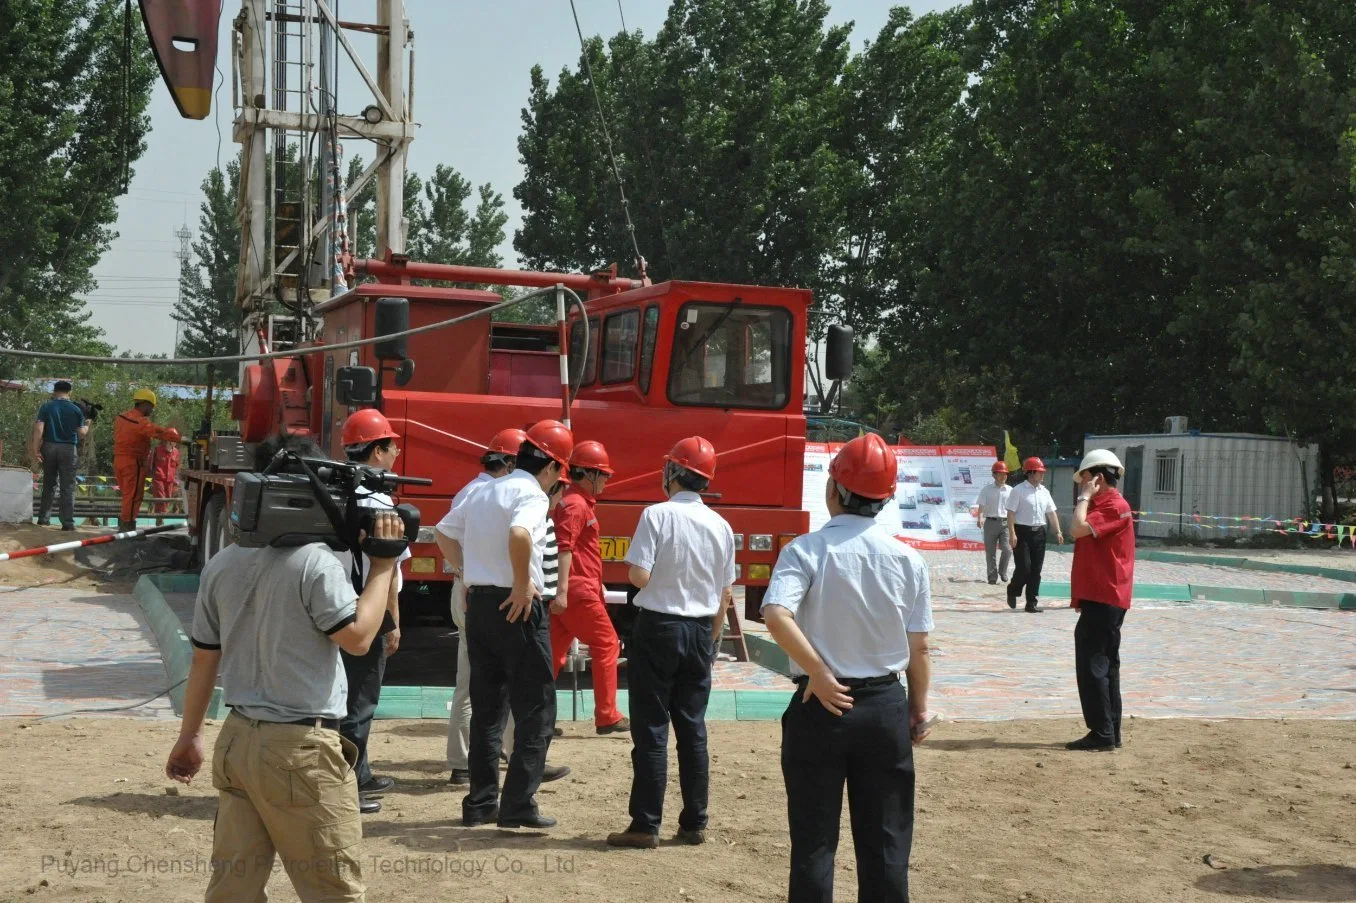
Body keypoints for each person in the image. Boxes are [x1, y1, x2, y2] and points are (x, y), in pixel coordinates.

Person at [164, 435, 407, 902]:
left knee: (234, 889)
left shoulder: (223, 563)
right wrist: (382, 566)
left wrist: (190, 735)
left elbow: (203, 659)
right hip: (300, 751)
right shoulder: (314, 564)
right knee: (334, 890)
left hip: (238, 741)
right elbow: (358, 640)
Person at [761, 433, 934, 903]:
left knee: (814, 840)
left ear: (833, 489)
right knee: (886, 841)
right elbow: (918, 648)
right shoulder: (909, 560)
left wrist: (817, 672)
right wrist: (917, 709)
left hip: (821, 705)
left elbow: (776, 613)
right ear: (888, 497)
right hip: (884, 707)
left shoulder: (807, 550)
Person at [442, 420, 574, 829]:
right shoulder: (531, 493)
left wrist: (465, 574)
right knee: (536, 708)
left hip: (480, 604)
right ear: (551, 467)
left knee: (487, 709)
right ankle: (518, 804)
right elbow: (520, 534)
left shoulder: (484, 489)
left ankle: (481, 803)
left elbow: (444, 532)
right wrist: (521, 584)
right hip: (516, 607)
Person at [607, 437, 736, 850]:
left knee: (651, 730)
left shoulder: (656, 515)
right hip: (700, 631)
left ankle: (646, 824)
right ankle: (694, 822)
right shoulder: (721, 525)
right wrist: (712, 638)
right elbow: (725, 594)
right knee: (693, 729)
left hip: (659, 627)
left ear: (674, 473)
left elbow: (638, 577)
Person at [436, 427, 525, 785]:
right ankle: (471, 759)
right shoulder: (486, 493)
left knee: (476, 678)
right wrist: (465, 571)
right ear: (511, 463)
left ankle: (477, 757)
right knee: (483, 678)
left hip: (472, 589)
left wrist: (463, 571)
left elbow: (445, 536)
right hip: (481, 592)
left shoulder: (471, 491)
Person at [334, 409, 411, 814]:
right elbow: (390, 568)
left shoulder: (332, 492)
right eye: (392, 445)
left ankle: (359, 773)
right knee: (361, 700)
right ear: (378, 450)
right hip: (368, 608)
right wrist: (392, 622)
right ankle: (350, 787)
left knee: (338, 695)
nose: (397, 452)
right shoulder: (379, 500)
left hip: (330, 605)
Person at [550, 440, 628, 735]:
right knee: (607, 644)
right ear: (590, 474)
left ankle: (535, 718)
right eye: (604, 474)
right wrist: (565, 590)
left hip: (573, 591)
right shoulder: (576, 505)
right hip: (576, 593)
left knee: (552, 658)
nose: (607, 480)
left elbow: (575, 550)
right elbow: (564, 547)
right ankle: (607, 716)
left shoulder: (573, 503)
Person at [1066, 449, 1135, 752]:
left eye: (1084, 479)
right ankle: (1110, 730)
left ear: (1096, 477)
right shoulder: (1107, 504)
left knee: (1094, 664)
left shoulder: (1112, 505)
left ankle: (1102, 732)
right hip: (1103, 595)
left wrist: (1083, 497)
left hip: (1105, 596)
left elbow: (1076, 529)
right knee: (1107, 666)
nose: (1082, 486)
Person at [113, 388, 180, 532]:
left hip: (119, 461)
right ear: (145, 404)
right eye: (151, 407)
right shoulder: (140, 422)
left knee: (127, 495)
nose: (151, 411)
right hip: (133, 463)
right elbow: (158, 432)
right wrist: (178, 437)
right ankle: (127, 529)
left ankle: (126, 525)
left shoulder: (121, 417)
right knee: (133, 497)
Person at [1005, 456, 1062, 612]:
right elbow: (1010, 513)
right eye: (1039, 472)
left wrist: (1058, 531)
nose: (1043, 475)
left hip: (1039, 533)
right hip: (1022, 532)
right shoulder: (1018, 491)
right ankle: (1013, 589)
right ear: (1030, 473)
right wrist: (1012, 534)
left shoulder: (1044, 492)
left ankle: (1032, 603)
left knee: (1036, 569)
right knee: (1024, 568)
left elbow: (1051, 512)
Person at [30, 380, 89, 531]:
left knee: (49, 484)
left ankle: (43, 519)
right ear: (70, 392)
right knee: (67, 487)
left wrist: (36, 449)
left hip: (49, 446)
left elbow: (38, 429)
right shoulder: (76, 409)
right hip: (68, 449)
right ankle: (67, 523)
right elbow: (81, 434)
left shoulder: (46, 407)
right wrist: (88, 424)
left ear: (55, 391)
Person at [974, 461, 1013, 584]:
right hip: (990, 523)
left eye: (1005, 474)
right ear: (994, 475)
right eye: (1000, 474)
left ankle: (1003, 571)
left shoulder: (1011, 490)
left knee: (1008, 549)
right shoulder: (987, 490)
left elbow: (1014, 509)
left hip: (1006, 523)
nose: (1003, 476)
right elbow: (981, 505)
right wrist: (980, 517)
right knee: (990, 551)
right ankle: (992, 576)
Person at [150, 438, 182, 524]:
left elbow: (177, 466)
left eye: (175, 441)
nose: (174, 442)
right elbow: (150, 464)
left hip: (170, 480)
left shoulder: (176, 452)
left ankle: (160, 516)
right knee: (161, 497)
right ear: (167, 441)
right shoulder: (157, 450)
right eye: (172, 440)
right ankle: (160, 517)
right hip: (159, 478)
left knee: (167, 498)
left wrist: (177, 479)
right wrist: (152, 476)